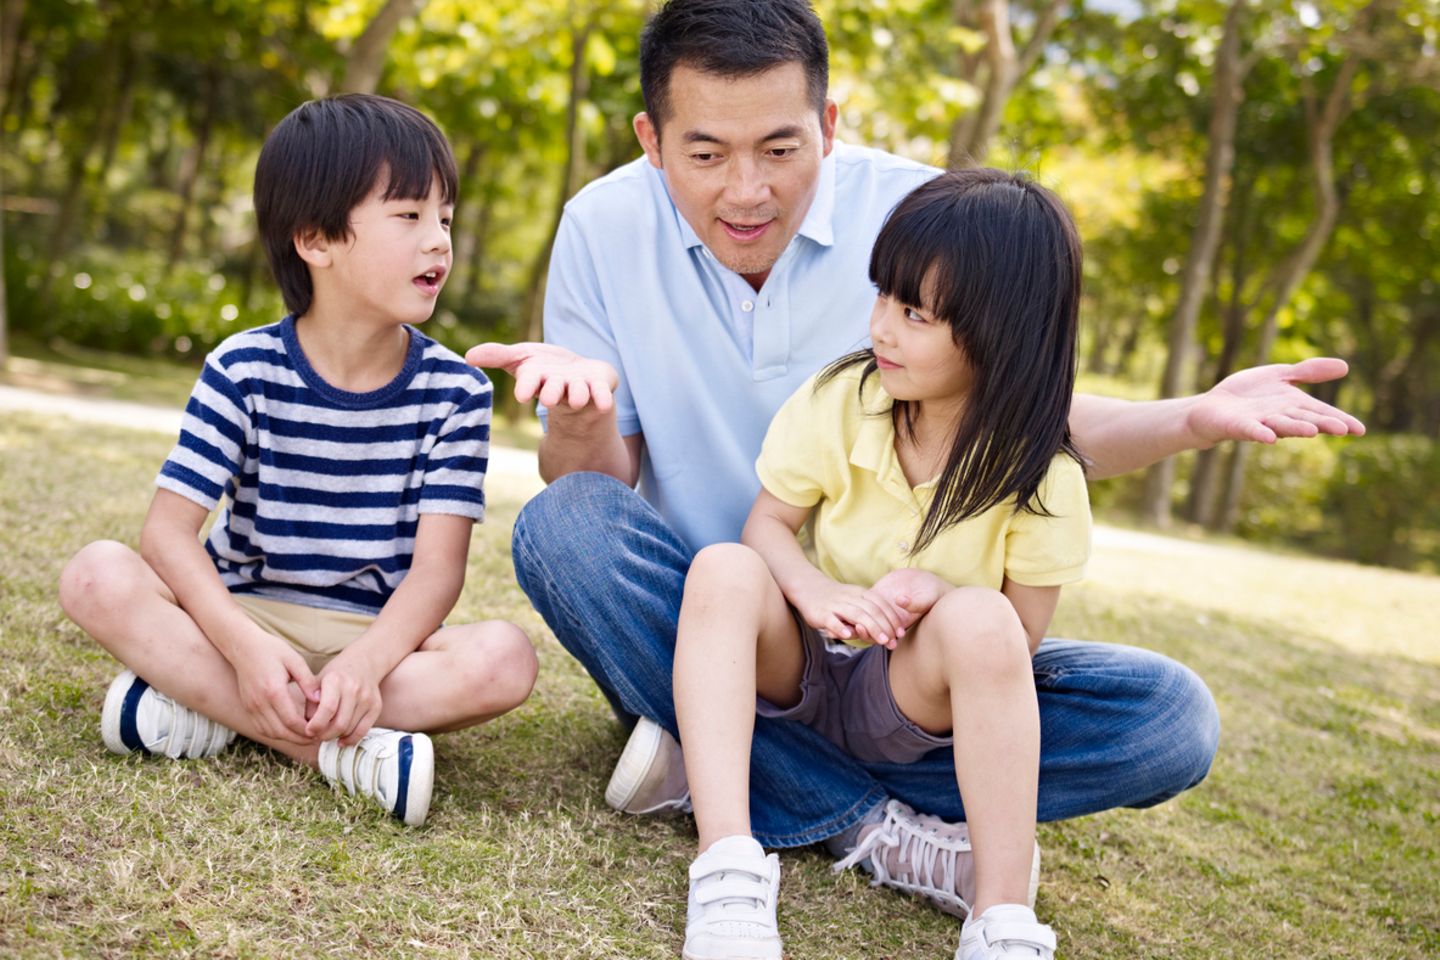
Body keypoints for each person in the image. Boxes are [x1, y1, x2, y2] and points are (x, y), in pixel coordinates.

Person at [469, 0, 1363, 925]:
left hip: (906, 665)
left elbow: (1028, 416)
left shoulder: (918, 216)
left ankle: (709, 766)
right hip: (716, 628)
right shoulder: (601, 227)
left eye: (780, 149)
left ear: (830, 122)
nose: (747, 191)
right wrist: (584, 412)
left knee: (1170, 720)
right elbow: (598, 483)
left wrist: (1199, 416)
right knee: (562, 523)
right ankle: (869, 824)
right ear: (652, 140)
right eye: (706, 155)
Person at [58, 94, 537, 827]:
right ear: (315, 238)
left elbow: (438, 574)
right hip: (241, 620)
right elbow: (166, 535)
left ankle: (207, 710)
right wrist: (245, 648)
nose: (439, 240)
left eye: (444, 216)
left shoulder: (457, 393)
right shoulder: (243, 366)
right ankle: (331, 749)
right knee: (95, 573)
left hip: (373, 639)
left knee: (507, 659)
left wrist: (367, 666)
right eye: (409, 216)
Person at [675, 168, 1088, 960]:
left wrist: (936, 594)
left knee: (1009, 632)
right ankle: (727, 859)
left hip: (907, 705)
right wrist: (814, 589)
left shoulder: (1045, 477)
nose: (882, 329)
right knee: (723, 568)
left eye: (914, 313)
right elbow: (768, 524)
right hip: (803, 668)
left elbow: (1015, 641)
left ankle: (1000, 918)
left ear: (1001, 331)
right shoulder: (846, 398)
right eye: (883, 299)